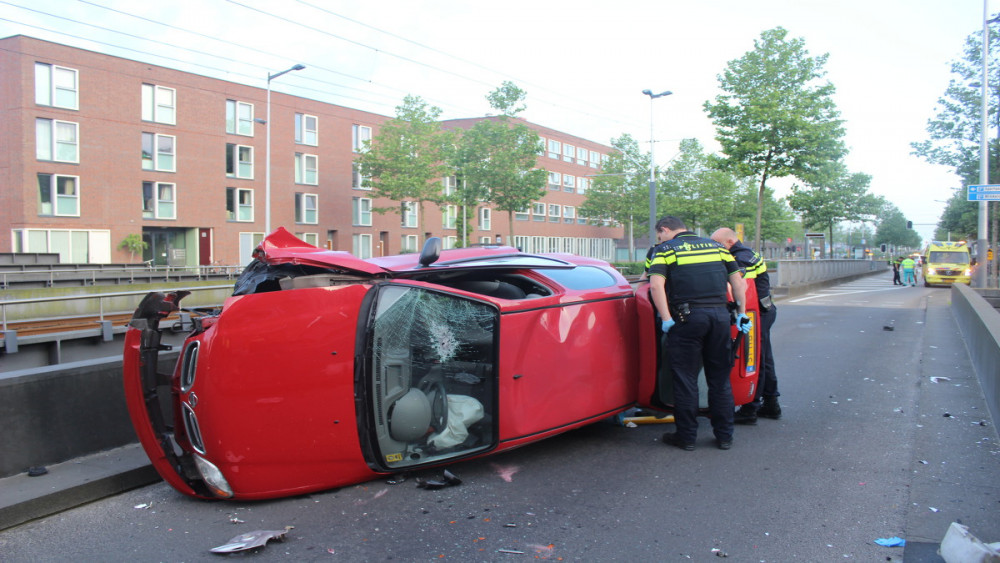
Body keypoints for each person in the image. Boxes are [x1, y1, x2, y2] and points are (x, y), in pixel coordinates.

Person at [647, 216, 751, 451]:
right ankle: (725, 436)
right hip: (720, 318)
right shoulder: (717, 247)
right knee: (720, 379)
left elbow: (655, 286)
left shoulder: (665, 249)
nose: (660, 239)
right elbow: (738, 282)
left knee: (685, 379)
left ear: (665, 230)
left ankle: (686, 437)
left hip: (687, 319)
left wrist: (666, 319)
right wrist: (741, 313)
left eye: (659, 235)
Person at [711, 228, 781, 424]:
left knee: (754, 359)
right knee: (764, 357)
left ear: (730, 241)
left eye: (717, 243)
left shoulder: (742, 258)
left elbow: (738, 284)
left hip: (756, 313)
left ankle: (751, 407)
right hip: (760, 311)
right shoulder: (743, 254)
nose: (715, 247)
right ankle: (771, 403)